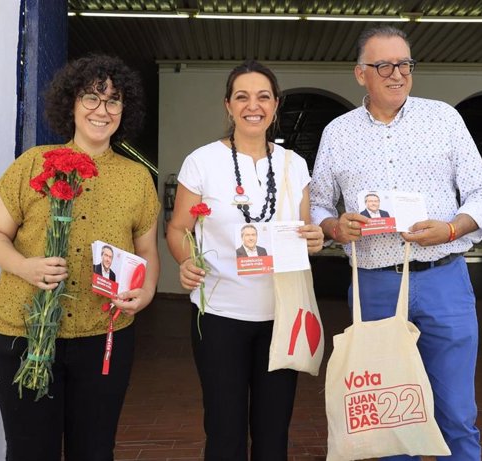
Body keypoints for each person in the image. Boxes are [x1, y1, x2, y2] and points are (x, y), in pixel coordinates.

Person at [310, 26, 482, 460]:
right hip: (375, 286)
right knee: (391, 418)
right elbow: (317, 205)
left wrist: (452, 228)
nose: (397, 74)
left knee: (456, 413)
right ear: (361, 73)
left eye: (404, 64)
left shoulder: (444, 119)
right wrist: (336, 227)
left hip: (443, 280)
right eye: (384, 65)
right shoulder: (337, 134)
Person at [0, 54, 160, 461]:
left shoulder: (136, 178)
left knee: (94, 450)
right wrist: (26, 267)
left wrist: (146, 292)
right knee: (30, 451)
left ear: (124, 110)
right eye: (91, 98)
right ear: (71, 103)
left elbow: (147, 251)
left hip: (104, 334)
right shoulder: (33, 163)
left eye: (113, 101)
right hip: (24, 333)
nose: (102, 110)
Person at [166, 59, 324, 460]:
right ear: (228, 105)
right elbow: (177, 229)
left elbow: (305, 228)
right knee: (224, 431)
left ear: (275, 105)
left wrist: (315, 237)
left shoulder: (295, 165)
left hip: (282, 315)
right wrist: (187, 261)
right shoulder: (202, 161)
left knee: (274, 433)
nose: (253, 106)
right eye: (242, 97)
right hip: (219, 315)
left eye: (263, 97)